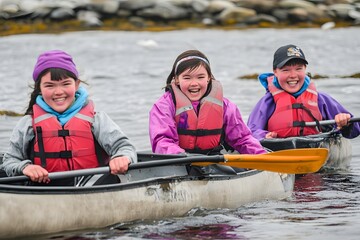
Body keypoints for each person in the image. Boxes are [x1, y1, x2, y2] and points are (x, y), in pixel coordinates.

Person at [1, 50, 137, 186]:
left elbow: (125, 147)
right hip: (45, 188)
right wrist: (26, 167)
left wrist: (121, 157)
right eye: (49, 85)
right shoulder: (27, 124)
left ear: (76, 84)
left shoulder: (97, 119)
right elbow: (10, 161)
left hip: (92, 185)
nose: (59, 92)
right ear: (39, 88)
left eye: (66, 84)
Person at [149, 49, 266, 157]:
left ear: (209, 78)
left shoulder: (226, 106)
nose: (194, 83)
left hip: (214, 160)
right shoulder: (163, 107)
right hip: (179, 162)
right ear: (177, 79)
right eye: (187, 78)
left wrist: (262, 155)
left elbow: (242, 139)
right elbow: (161, 141)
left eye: (200, 77)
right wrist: (182, 157)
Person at [247, 44, 360, 141]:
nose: (293, 75)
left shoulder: (322, 99)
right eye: (285, 70)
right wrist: (263, 136)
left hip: (317, 148)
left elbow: (355, 130)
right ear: (275, 72)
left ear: (305, 69)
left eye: (299, 69)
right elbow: (250, 132)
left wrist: (345, 123)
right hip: (280, 150)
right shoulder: (267, 102)